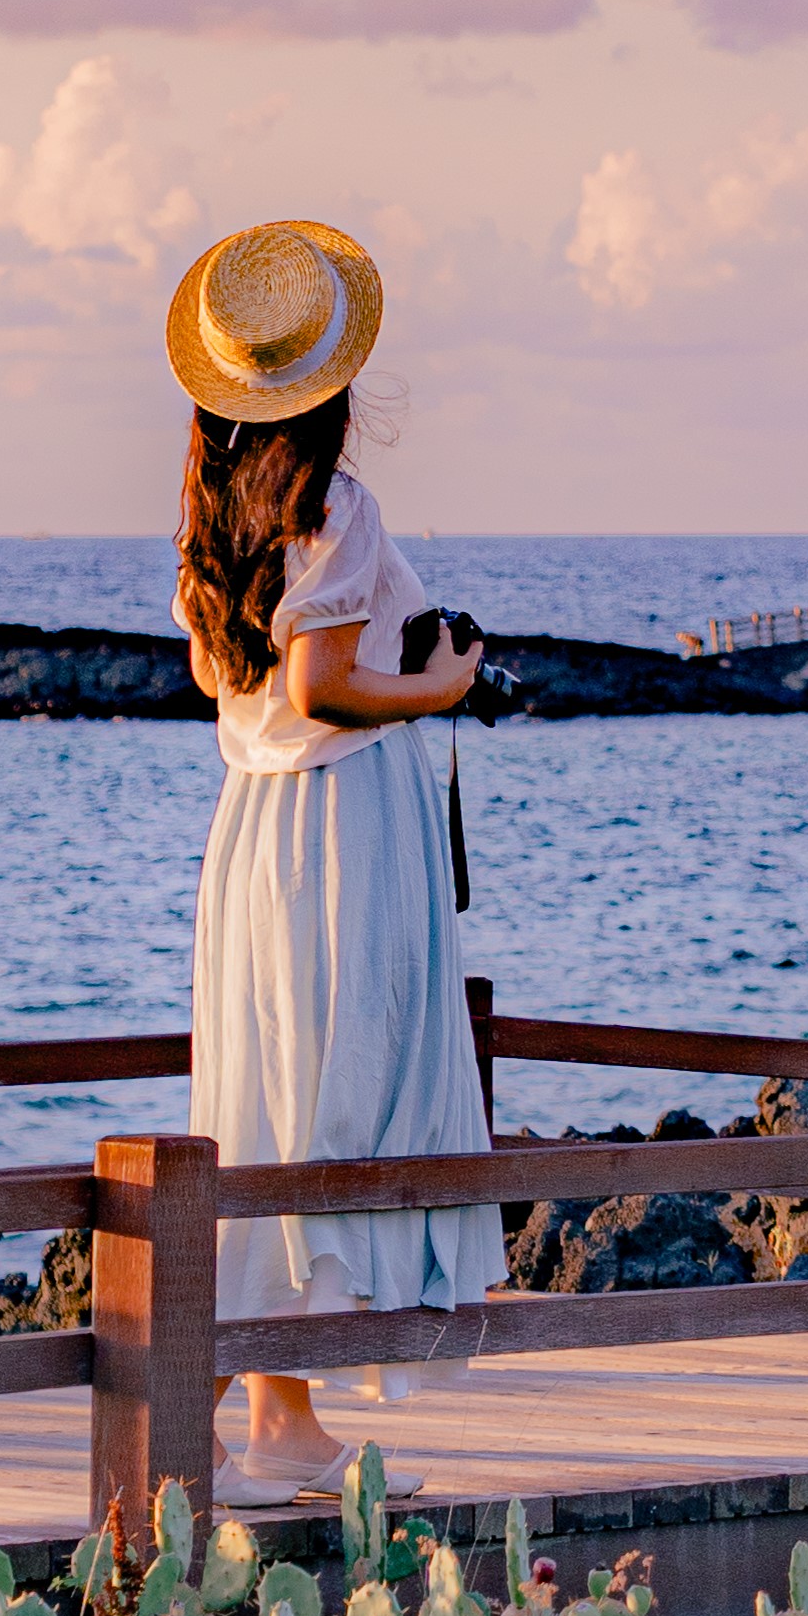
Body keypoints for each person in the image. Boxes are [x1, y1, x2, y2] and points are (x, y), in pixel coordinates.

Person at [167, 216, 500, 1501]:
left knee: (267, 1096)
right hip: (342, 825)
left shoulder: (218, 517)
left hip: (256, 826)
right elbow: (320, 685)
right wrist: (440, 687)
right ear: (334, 386)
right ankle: (225, 1413)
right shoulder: (337, 510)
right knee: (334, 1094)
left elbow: (236, 678)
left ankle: (275, 1421)